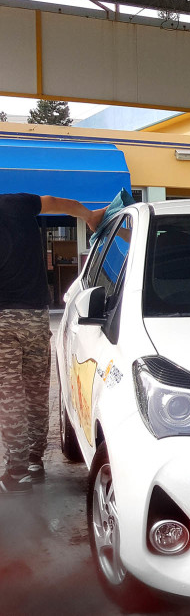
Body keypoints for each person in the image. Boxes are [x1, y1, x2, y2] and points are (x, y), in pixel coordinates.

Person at [1, 193, 105, 494]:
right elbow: (62, 203)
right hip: (35, 317)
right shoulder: (19, 202)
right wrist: (88, 215)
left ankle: (17, 471)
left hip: (2, 321)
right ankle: (34, 461)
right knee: (35, 391)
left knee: (10, 398)